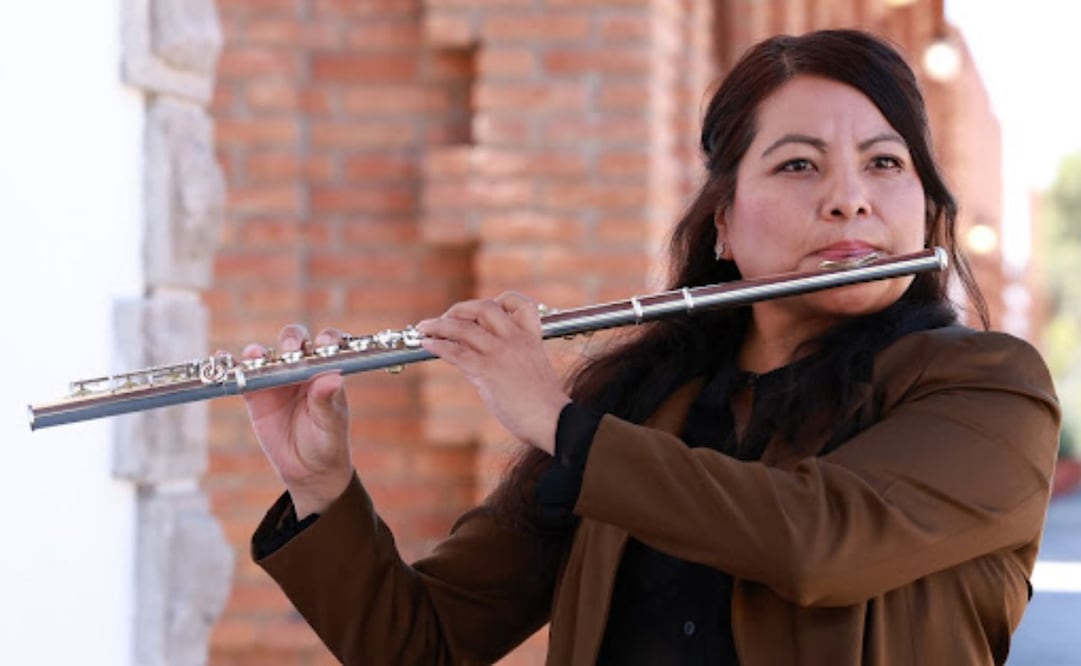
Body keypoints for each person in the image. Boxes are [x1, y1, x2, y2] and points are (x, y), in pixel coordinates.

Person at [241, 29, 1060, 665]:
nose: (848, 199)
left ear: (926, 209)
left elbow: (819, 542)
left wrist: (560, 424)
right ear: (723, 224)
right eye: (797, 166)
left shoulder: (989, 390)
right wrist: (321, 486)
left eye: (883, 163)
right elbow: (419, 644)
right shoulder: (639, 405)